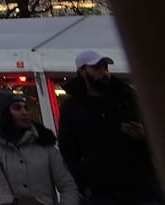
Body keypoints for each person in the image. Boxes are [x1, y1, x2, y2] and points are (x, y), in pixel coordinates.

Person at [60, 52, 160, 205]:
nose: (103, 72)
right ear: (82, 71)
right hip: (102, 191)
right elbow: (68, 149)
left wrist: (143, 135)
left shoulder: (127, 96)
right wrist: (83, 185)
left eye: (105, 67)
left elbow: (157, 131)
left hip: (141, 185)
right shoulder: (72, 107)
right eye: (96, 68)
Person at [0, 91, 79, 205]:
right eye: (17, 108)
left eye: (26, 108)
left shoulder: (44, 142)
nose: (24, 112)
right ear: (5, 114)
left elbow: (67, 185)